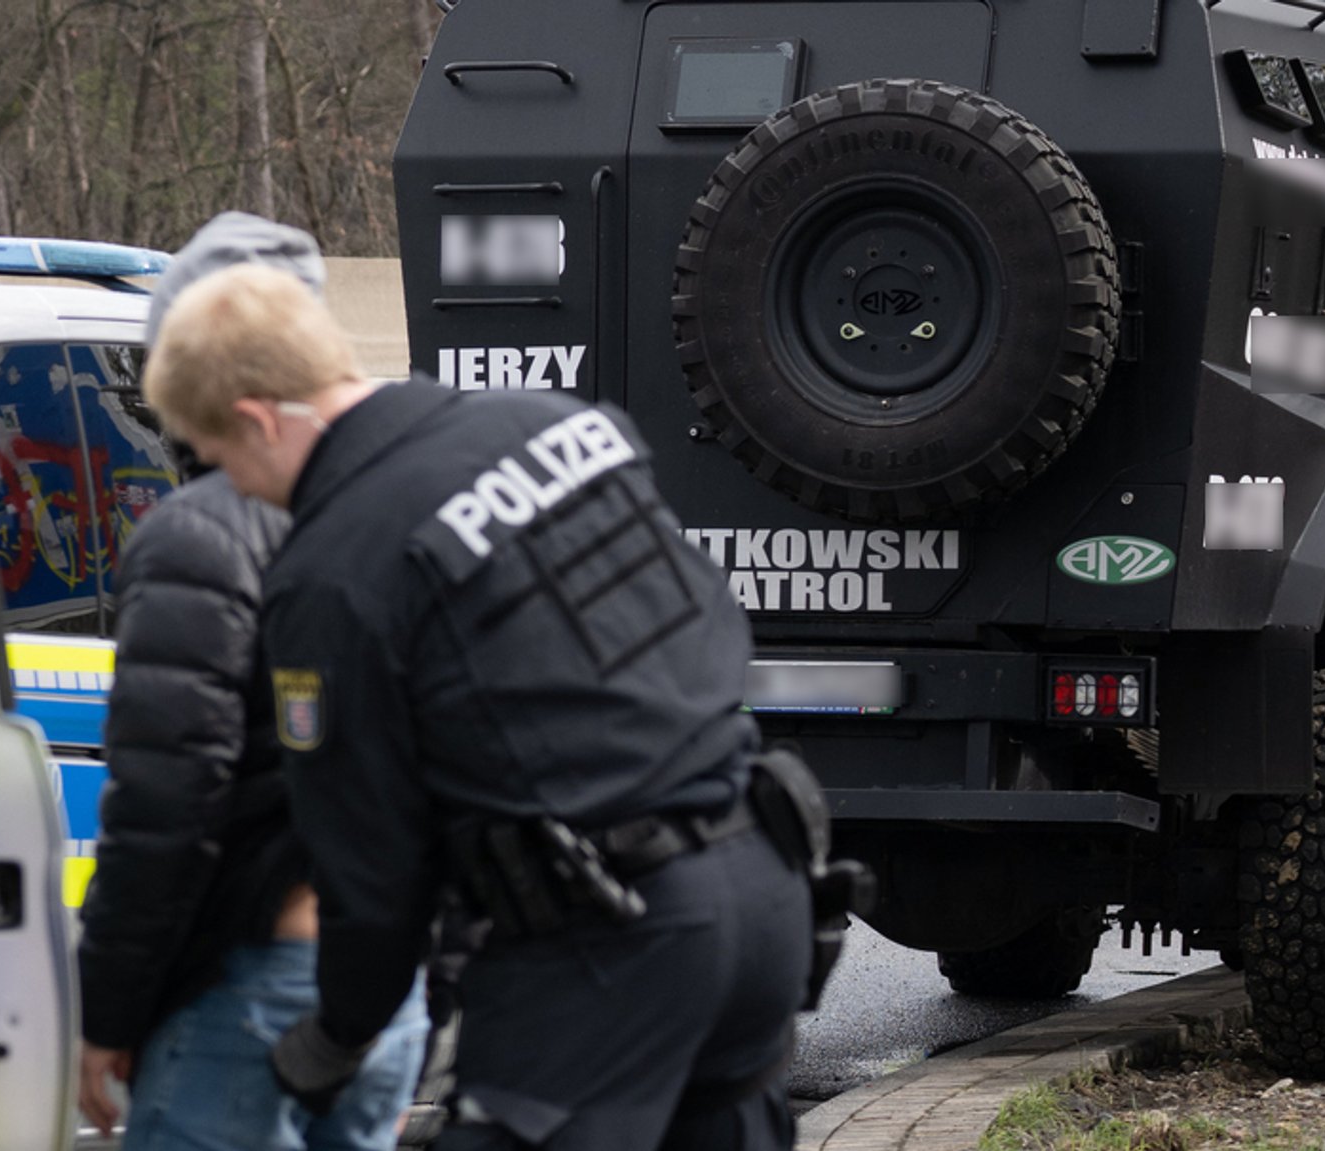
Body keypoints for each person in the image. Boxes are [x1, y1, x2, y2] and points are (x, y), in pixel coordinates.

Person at [140, 263, 818, 1151]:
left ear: (258, 419)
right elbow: (706, 636)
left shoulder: (330, 573)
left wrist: (337, 1034)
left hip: (603, 947)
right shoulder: (565, 425)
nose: (233, 487)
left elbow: (369, 867)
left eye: (218, 457)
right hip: (766, 891)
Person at [76, 214, 429, 1151]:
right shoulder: (408, 501)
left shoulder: (200, 534)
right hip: (383, 986)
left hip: (251, 987)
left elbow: (163, 812)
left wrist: (105, 1011)